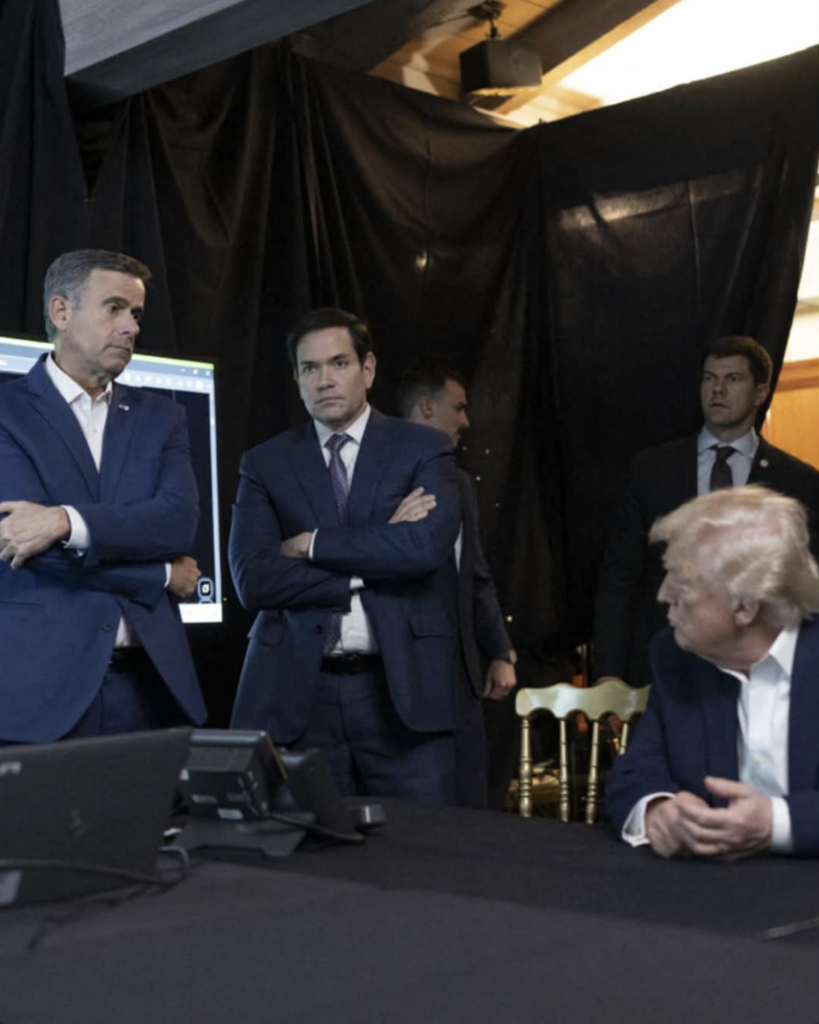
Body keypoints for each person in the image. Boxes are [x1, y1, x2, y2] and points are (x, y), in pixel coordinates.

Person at [229, 308, 462, 804]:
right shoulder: (265, 463)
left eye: (338, 363)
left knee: (424, 846)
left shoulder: (424, 448)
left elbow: (423, 549)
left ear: (368, 368)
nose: (324, 380)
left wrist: (311, 545)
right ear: (296, 378)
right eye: (309, 368)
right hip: (299, 695)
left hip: (402, 694)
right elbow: (254, 579)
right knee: (307, 849)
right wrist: (376, 552)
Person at [0, 249, 206, 742]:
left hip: (152, 689)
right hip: (40, 693)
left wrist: (65, 522)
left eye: (135, 313)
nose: (131, 327)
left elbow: (177, 523)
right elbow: (27, 550)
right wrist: (160, 574)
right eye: (114, 308)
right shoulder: (6, 412)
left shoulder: (164, 417)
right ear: (61, 311)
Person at [604, 485, 819, 860]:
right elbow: (636, 771)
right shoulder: (677, 655)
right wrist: (657, 809)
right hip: (712, 888)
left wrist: (774, 823)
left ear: (745, 607)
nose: (662, 595)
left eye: (682, 581)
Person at [593, 335, 819, 687]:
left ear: (760, 393)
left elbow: (807, 588)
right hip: (663, 667)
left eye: (733, 379)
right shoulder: (653, 469)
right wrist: (609, 672)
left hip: (760, 672)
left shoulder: (799, 482)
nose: (718, 390)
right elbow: (620, 576)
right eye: (709, 378)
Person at [397, 361, 515, 808]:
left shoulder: (459, 483)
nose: (466, 421)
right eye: (459, 408)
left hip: (460, 675)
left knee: (468, 802)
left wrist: (499, 650)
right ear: (428, 407)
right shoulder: (378, 474)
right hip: (401, 674)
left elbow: (475, 572)